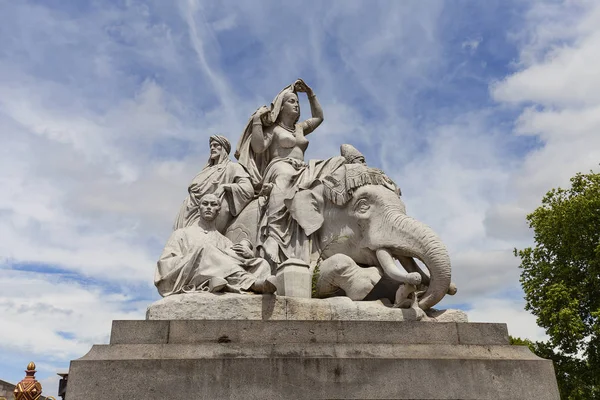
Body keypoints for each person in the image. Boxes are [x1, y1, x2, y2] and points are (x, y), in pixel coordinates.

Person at [235, 79, 346, 265]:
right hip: (279, 166)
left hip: (302, 167)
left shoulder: (300, 128)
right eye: (292, 101)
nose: (296, 105)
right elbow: (258, 146)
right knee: (285, 177)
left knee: (336, 163)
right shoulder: (274, 129)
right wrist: (256, 121)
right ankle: (273, 236)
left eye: (297, 102)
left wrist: (310, 94)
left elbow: (319, 117)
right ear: (281, 106)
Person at [156, 194, 276, 297]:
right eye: (205, 204)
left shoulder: (224, 241)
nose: (209, 207)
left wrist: (248, 256)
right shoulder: (181, 234)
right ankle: (251, 283)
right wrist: (196, 256)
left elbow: (232, 262)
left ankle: (217, 282)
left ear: (218, 211)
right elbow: (165, 265)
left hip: (223, 276)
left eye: (213, 205)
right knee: (206, 249)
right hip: (190, 276)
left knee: (261, 263)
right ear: (199, 209)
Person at [174, 135, 253, 233]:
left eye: (216, 145)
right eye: (211, 146)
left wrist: (225, 186)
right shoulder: (205, 171)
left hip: (211, 211)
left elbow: (248, 189)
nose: (212, 148)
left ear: (223, 148)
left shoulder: (233, 167)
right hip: (188, 209)